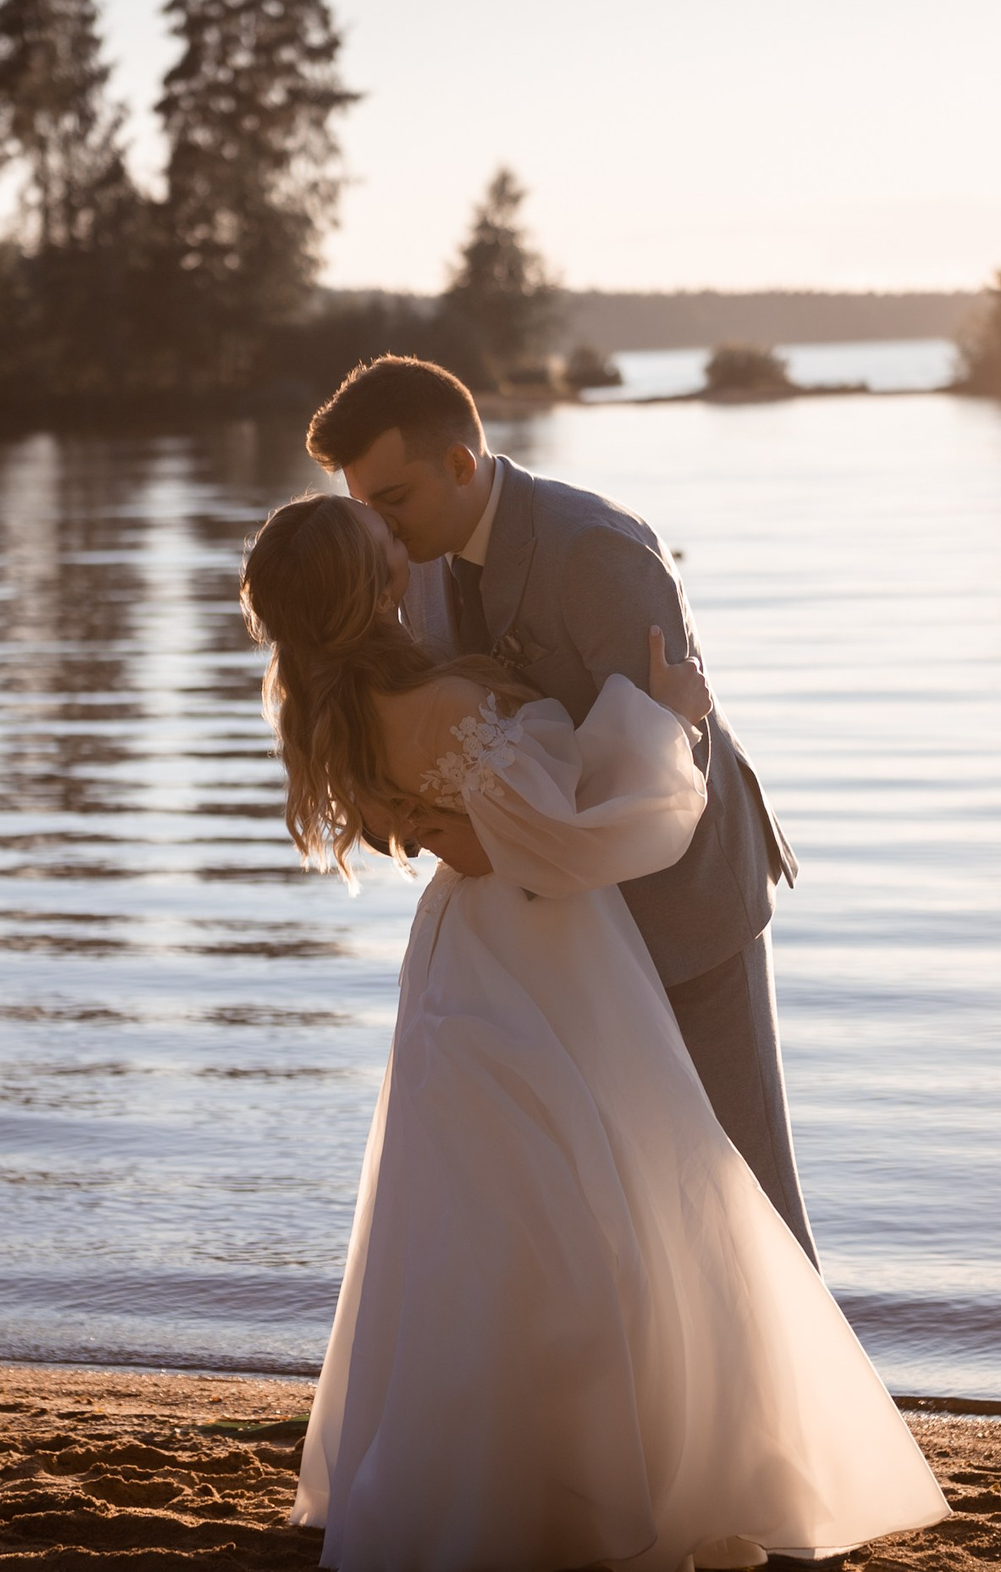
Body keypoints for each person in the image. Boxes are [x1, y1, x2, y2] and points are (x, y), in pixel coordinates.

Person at [242, 489, 947, 1571]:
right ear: (367, 581)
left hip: (462, 957)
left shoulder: (334, 698)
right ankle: (601, 1481)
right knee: (598, 1202)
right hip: (539, 954)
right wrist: (664, 718)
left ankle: (488, 1468)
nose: (390, 525)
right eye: (375, 530)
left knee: (477, 1220)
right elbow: (569, 842)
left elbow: (454, 824)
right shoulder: (431, 694)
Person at [305, 354, 816, 1258]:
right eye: (365, 506)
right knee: (609, 1200)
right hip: (552, 932)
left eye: (394, 499)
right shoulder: (413, 562)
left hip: (682, 902)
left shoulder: (595, 549)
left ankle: (810, 1401)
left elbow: (668, 761)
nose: (379, 527)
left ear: (461, 464)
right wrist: (421, 821)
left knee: (743, 1182)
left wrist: (492, 837)